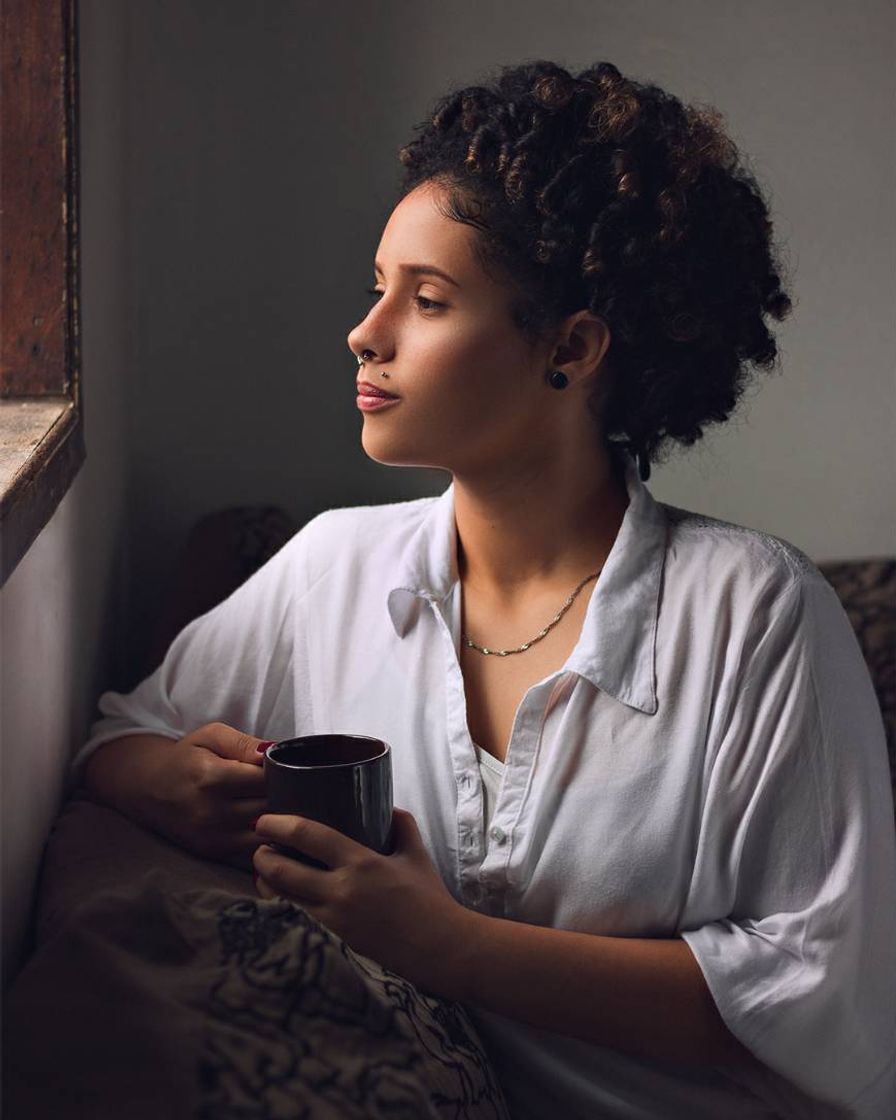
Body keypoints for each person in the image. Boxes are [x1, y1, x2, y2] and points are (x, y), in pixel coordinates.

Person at [71, 60, 895, 1119]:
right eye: (377, 288)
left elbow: (819, 993)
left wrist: (446, 943)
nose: (366, 332)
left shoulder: (754, 613)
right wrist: (168, 782)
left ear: (571, 347)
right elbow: (118, 738)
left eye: (426, 299)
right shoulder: (332, 568)